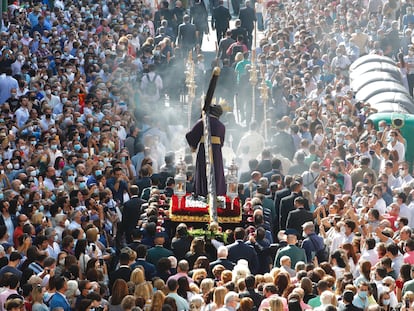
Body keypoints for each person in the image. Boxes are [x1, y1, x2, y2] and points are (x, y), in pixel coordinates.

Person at [186, 104, 226, 197]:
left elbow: (190, 135)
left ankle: (201, 192)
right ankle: (216, 193)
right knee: (216, 171)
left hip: (204, 150)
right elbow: (222, 143)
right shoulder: (221, 126)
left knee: (203, 170)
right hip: (216, 152)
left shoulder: (202, 122)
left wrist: (193, 146)